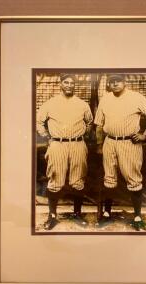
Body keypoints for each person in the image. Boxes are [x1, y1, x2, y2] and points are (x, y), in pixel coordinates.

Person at [94, 74, 146, 230]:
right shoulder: (106, 98)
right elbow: (98, 124)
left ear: (124, 82)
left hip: (129, 142)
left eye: (118, 80)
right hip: (109, 141)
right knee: (109, 178)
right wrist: (99, 144)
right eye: (111, 81)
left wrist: (145, 134)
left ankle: (137, 216)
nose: (115, 83)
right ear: (108, 84)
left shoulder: (136, 97)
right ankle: (107, 214)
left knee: (133, 179)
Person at [37, 74, 93, 230]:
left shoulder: (82, 104)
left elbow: (89, 123)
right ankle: (52, 216)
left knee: (78, 181)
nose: (69, 85)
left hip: (77, 144)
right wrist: (47, 137)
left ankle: (77, 214)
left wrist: (81, 136)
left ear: (75, 86)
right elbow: (39, 122)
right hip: (57, 144)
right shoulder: (50, 103)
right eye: (66, 82)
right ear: (60, 84)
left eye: (72, 83)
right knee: (55, 180)